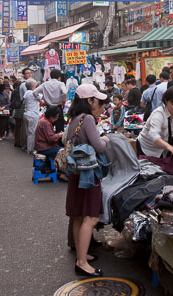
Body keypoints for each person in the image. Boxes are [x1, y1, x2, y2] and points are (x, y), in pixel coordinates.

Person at [65, 84, 110, 277]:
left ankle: (81, 256)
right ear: (89, 101)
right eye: (97, 100)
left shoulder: (74, 118)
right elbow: (99, 146)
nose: (98, 104)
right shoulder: (89, 119)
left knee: (78, 215)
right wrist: (107, 139)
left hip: (76, 172)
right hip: (88, 173)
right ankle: (82, 262)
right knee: (90, 217)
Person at [136, 87, 173, 175]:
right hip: (147, 147)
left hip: (163, 148)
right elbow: (153, 135)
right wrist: (168, 147)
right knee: (148, 173)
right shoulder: (158, 114)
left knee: (164, 171)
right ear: (166, 101)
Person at [23, 79, 41, 153]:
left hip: (26, 114)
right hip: (33, 115)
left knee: (28, 132)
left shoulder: (26, 93)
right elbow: (41, 98)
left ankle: (28, 147)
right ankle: (30, 149)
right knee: (32, 133)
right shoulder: (33, 93)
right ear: (33, 86)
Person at [10, 80, 25, 147]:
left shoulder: (14, 91)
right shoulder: (21, 91)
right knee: (21, 126)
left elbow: (11, 100)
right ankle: (20, 141)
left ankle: (17, 141)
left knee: (17, 126)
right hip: (20, 109)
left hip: (16, 109)